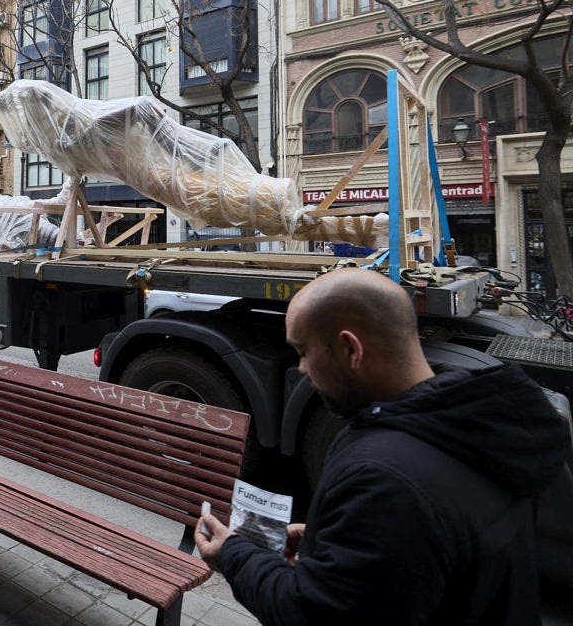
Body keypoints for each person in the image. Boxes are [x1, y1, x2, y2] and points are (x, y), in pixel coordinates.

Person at [195, 267, 572, 626]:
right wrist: (335, 541)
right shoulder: (481, 429)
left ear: (350, 349)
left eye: (304, 351)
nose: (303, 368)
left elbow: (311, 615)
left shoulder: (383, 479)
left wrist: (234, 553)